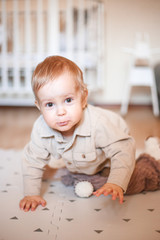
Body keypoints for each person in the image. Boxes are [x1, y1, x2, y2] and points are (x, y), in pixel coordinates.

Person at [19, 56, 136, 212]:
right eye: (50, 104)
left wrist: (116, 182)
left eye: (68, 100)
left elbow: (123, 149)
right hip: (83, 160)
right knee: (71, 173)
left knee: (130, 178)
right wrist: (31, 194)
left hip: (111, 148)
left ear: (83, 98)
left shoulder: (98, 124)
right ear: (39, 107)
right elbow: (32, 160)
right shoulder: (41, 129)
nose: (60, 112)